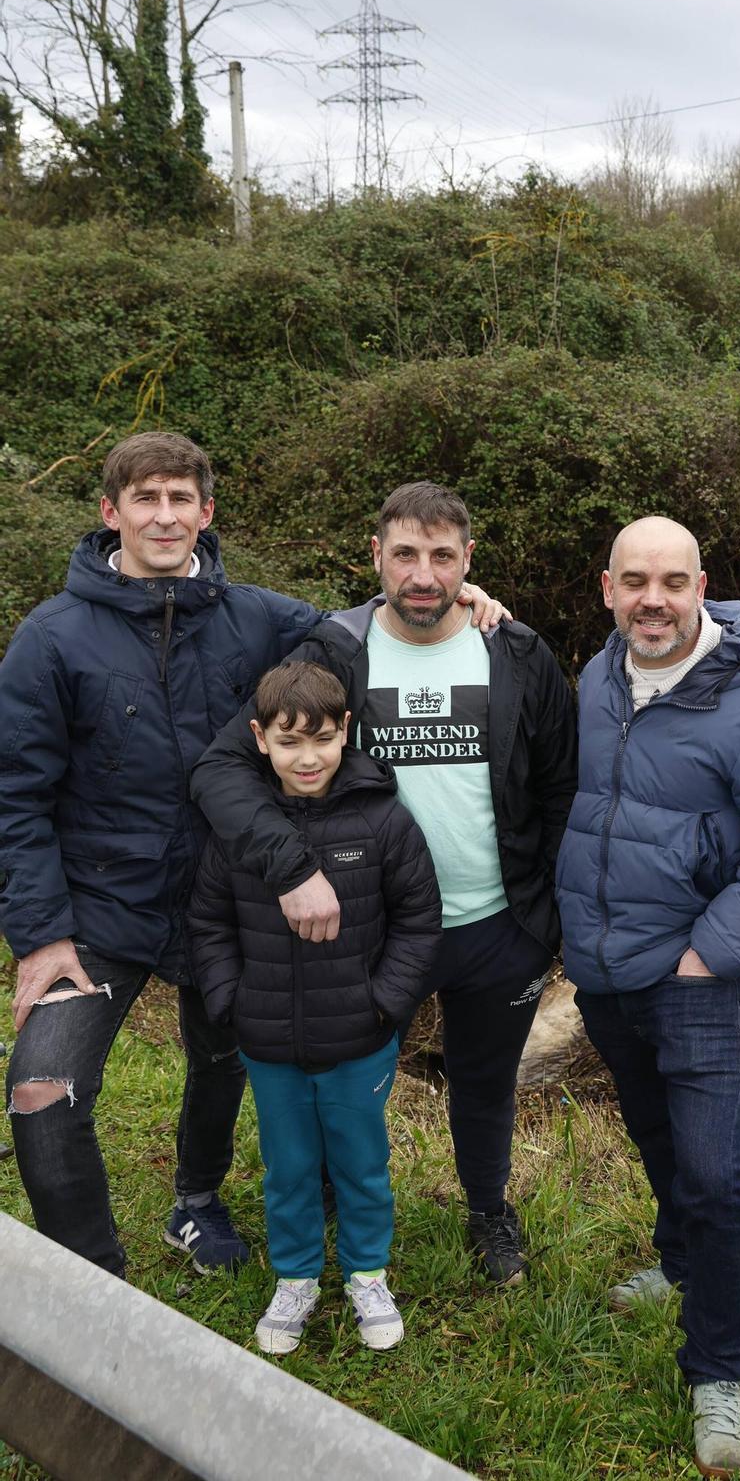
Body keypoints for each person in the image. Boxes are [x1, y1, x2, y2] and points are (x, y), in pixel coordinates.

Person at [0, 431, 501, 1280]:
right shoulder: (50, 638)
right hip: (99, 914)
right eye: (146, 499)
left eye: (181, 499)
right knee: (42, 1092)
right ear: (110, 510)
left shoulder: (264, 619)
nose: (165, 517)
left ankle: (195, 1204)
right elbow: (16, 795)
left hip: (229, 906)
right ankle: (93, 1288)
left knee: (223, 1058)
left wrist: (461, 603)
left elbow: (369, 633)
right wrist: (43, 935)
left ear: (206, 512)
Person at [191, 480, 577, 1286]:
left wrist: (551, 918)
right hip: (366, 924)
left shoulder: (517, 653)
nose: (424, 574)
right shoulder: (333, 652)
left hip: (496, 924)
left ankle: (487, 1210)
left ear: (469, 560)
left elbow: (560, 790)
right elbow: (225, 765)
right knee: (349, 1083)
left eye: (443, 556)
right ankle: (335, 1203)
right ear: (376, 557)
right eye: (406, 554)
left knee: (484, 1082)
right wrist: (290, 867)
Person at [555, 516, 740, 1477]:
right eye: (635, 581)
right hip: (607, 973)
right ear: (607, 589)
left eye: (673, 581)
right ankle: (680, 1264)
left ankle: (722, 1366)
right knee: (658, 1140)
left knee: (718, 1173)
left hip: (703, 981)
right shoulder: (597, 679)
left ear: (704, 586)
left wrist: (706, 957)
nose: (654, 600)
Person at [188, 662, 442, 1355]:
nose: (308, 758)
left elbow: (419, 920)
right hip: (267, 1043)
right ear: (259, 739)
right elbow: (208, 923)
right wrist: (231, 1002)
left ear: (346, 734)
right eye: (289, 741)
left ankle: (367, 1273)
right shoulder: (241, 832)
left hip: (361, 1041)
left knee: (362, 1166)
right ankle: (295, 1277)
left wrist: (384, 1005)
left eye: (323, 740)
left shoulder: (384, 821)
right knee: (289, 1168)